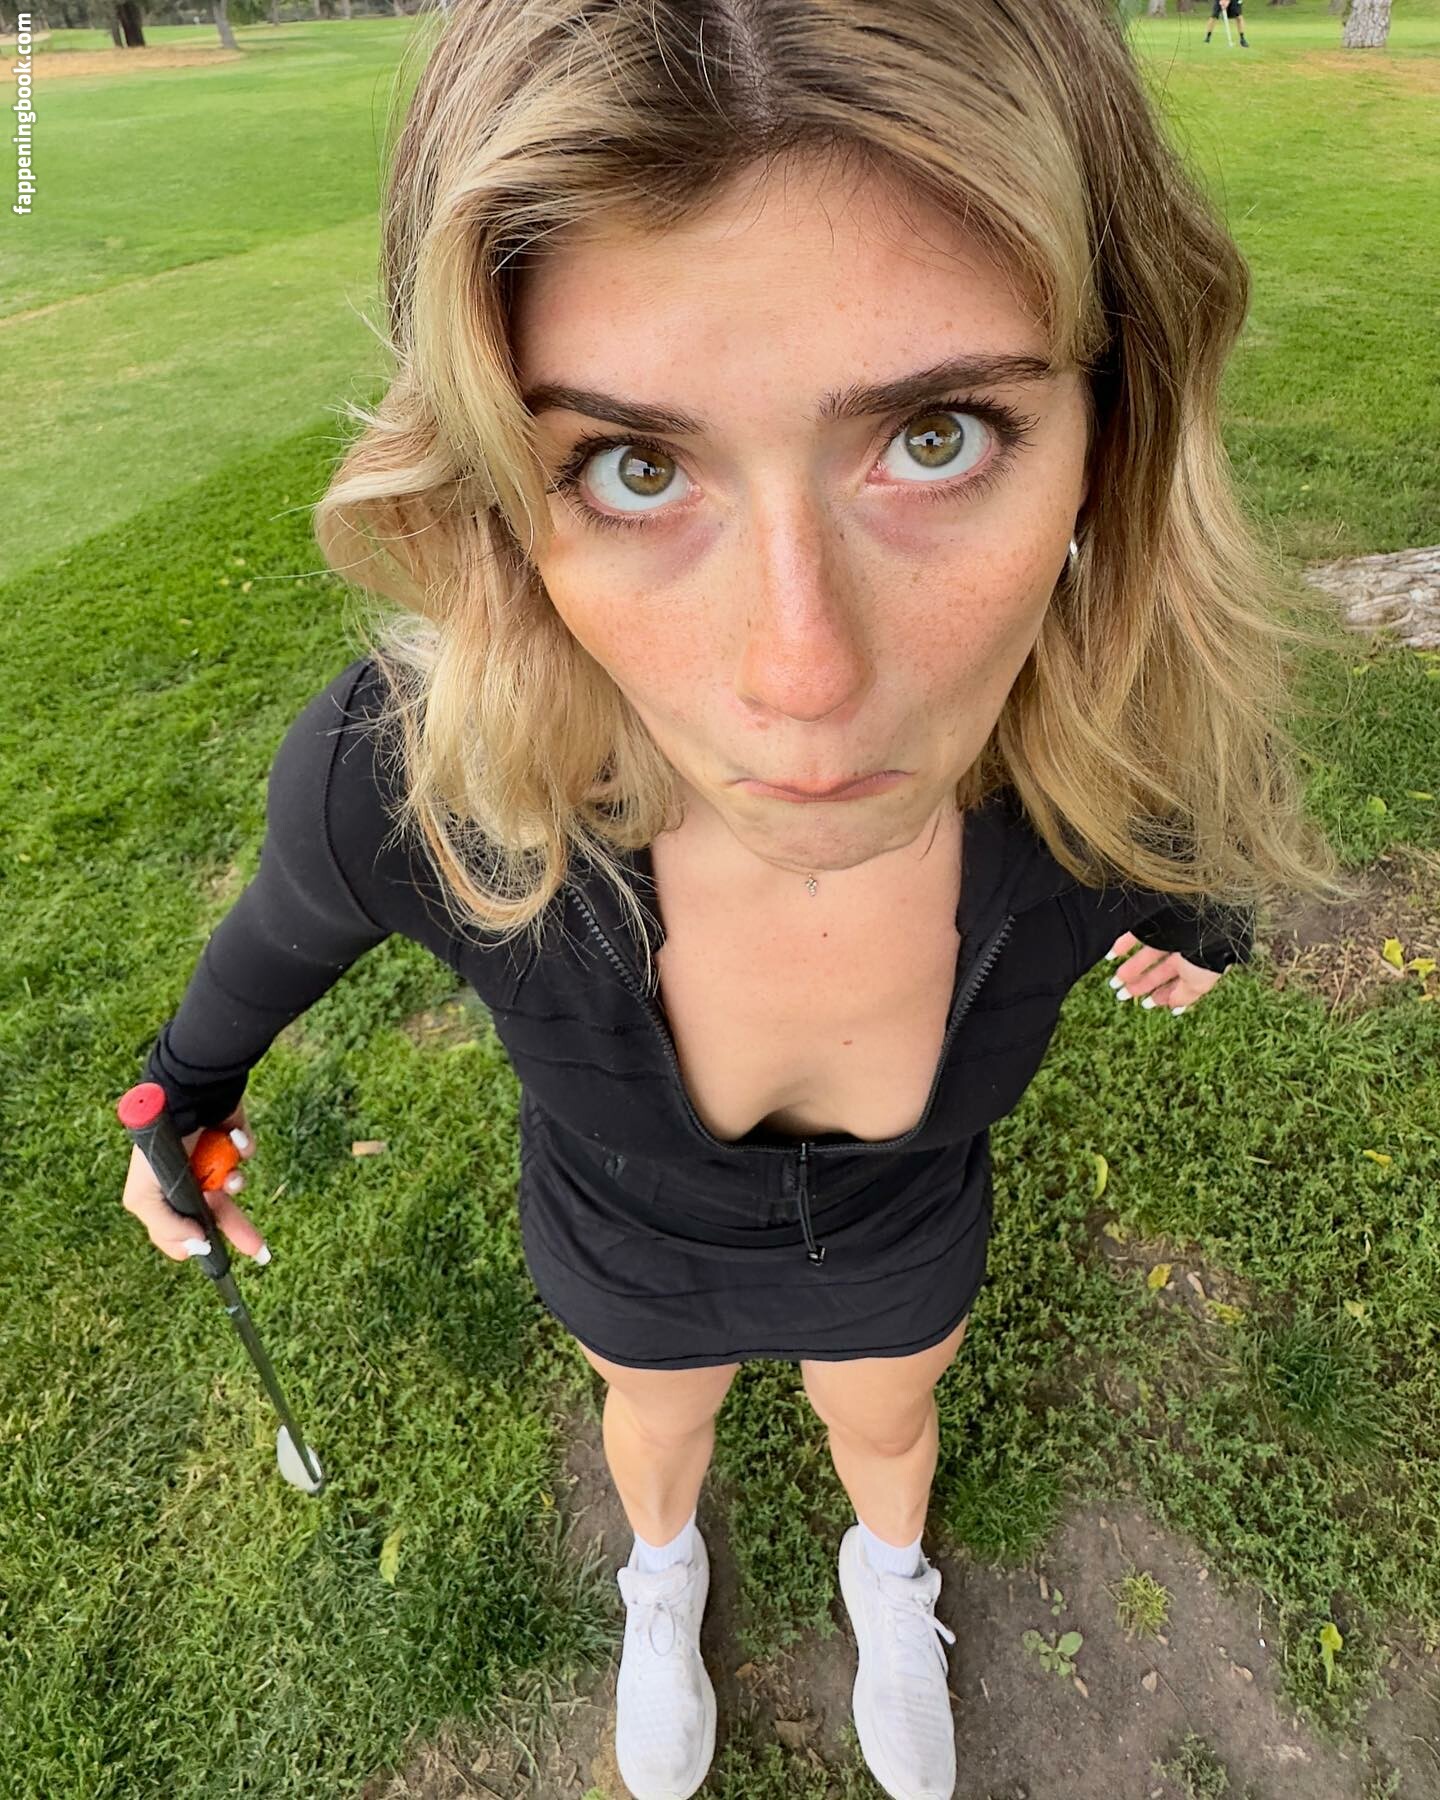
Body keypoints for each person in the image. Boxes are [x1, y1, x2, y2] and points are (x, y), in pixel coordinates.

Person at [120, 2, 1355, 1796]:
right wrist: (177, 1106)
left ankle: (889, 1577)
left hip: (905, 1233)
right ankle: (661, 1577)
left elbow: (1197, 873)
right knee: (655, 1419)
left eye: (938, 434)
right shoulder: (416, 781)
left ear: (1113, 429)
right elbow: (251, 978)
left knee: (888, 1417)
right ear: (500, 495)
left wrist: (1198, 935)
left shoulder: (1125, 770)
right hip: (623, 1241)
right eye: (635, 468)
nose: (804, 684)